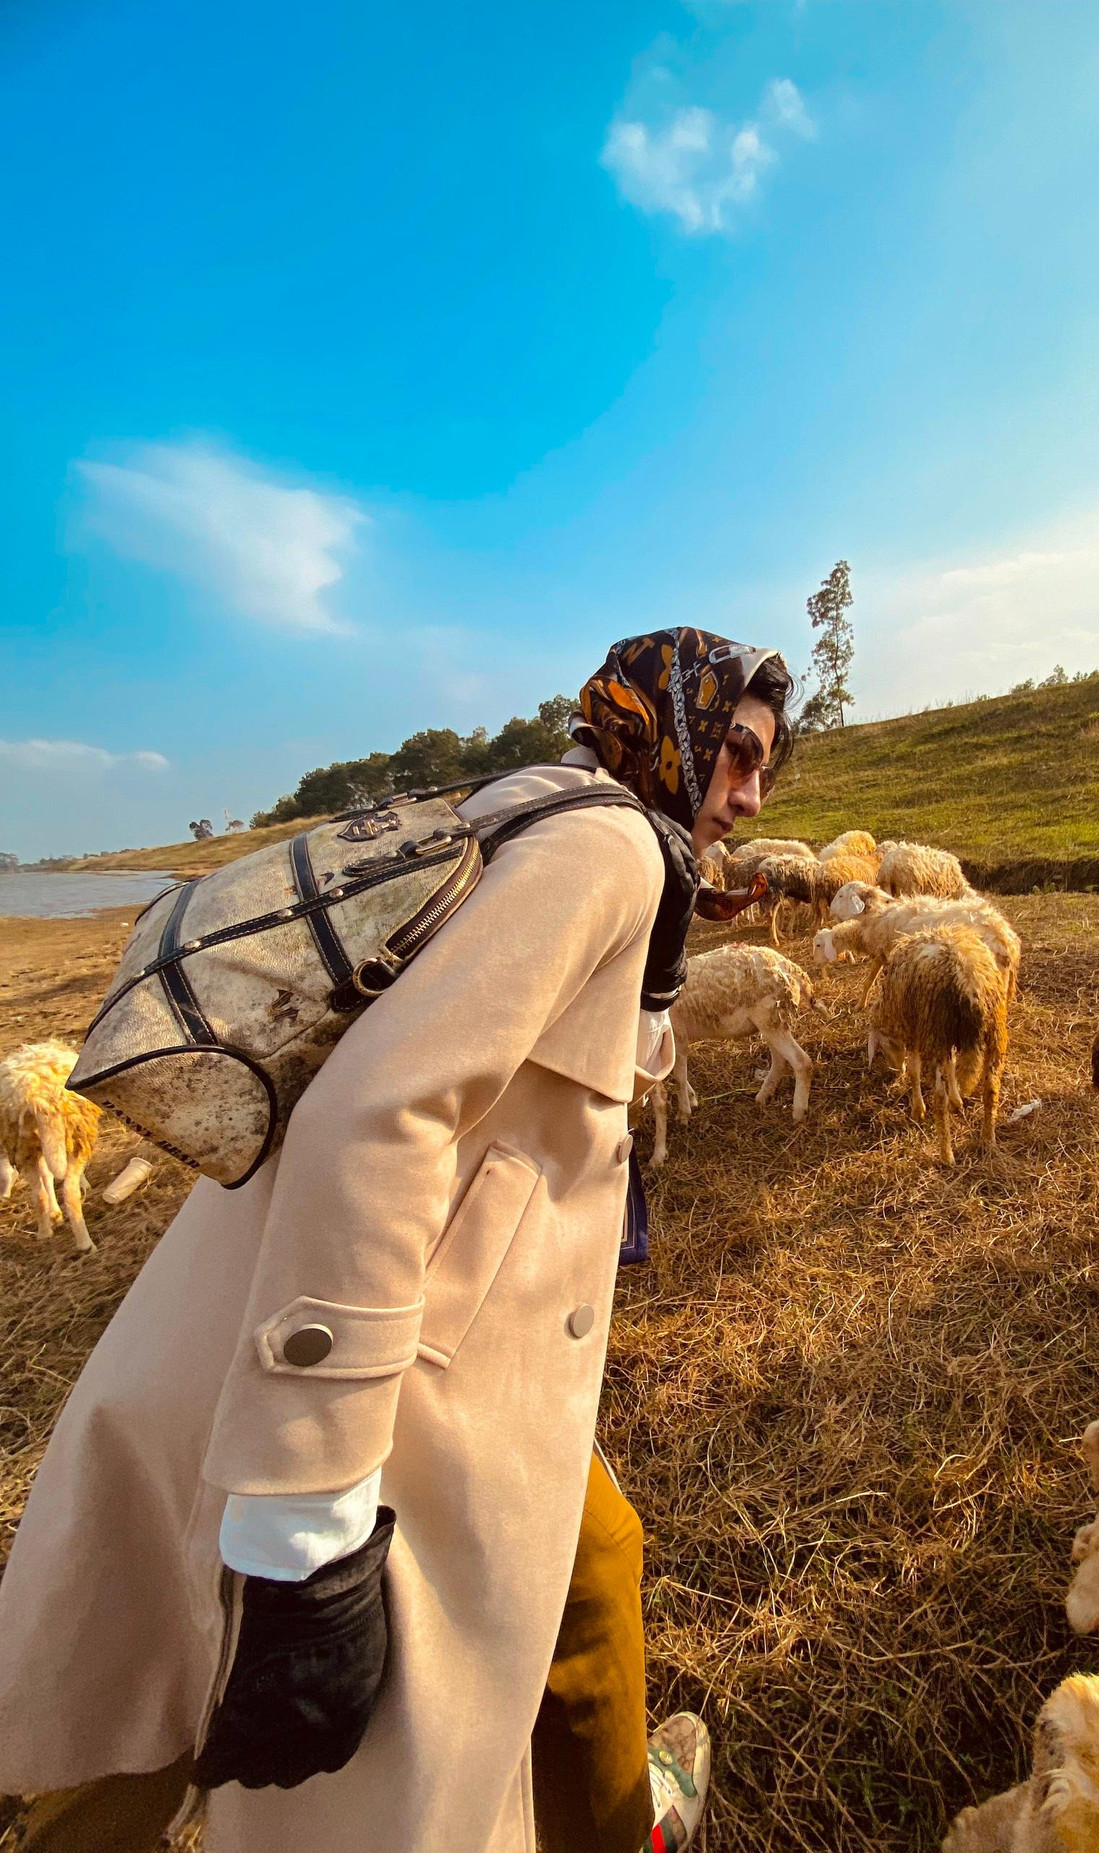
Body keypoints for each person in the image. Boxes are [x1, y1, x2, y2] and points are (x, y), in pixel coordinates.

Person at [0, 628, 794, 1853]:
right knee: (231, 1685)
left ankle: (614, 1816)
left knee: (186, 1675)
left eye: (765, 767)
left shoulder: (526, 810)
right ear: (670, 729)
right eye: (735, 750)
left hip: (326, 1311)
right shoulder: (607, 847)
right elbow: (381, 1110)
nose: (749, 792)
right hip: (373, 1354)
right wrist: (310, 1512)